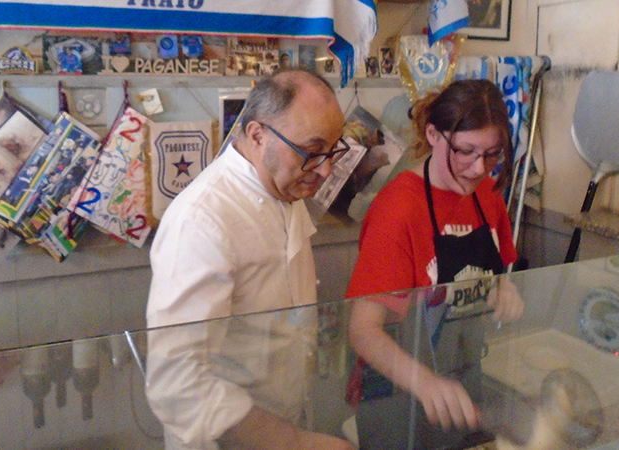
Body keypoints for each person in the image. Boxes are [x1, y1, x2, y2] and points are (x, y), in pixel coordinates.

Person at [145, 68, 354, 450]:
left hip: (282, 419)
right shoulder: (202, 221)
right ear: (257, 135)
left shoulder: (285, 187)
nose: (325, 169)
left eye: (334, 150)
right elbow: (176, 382)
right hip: (226, 438)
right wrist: (293, 442)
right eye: (313, 151)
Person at [345, 79, 525, 449]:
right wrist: (426, 383)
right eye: (465, 151)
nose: (479, 168)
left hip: (462, 377)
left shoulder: (487, 195)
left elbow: (497, 271)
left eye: (492, 154)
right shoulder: (398, 210)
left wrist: (505, 290)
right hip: (397, 391)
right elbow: (363, 331)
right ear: (433, 134)